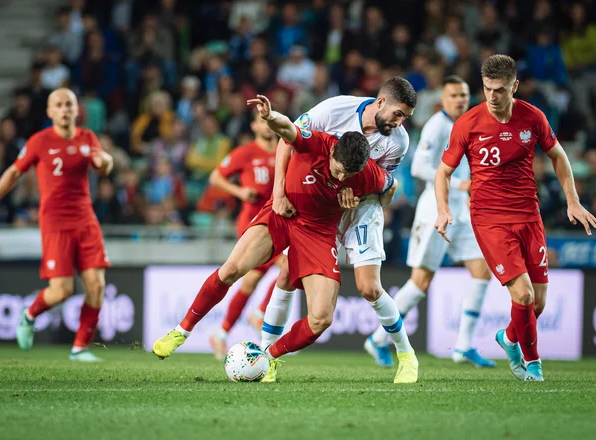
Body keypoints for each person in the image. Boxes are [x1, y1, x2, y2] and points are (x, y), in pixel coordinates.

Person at [151, 95, 412, 383]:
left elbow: (391, 188)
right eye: (338, 170)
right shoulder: (319, 141)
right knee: (232, 269)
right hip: (282, 214)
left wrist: (361, 196)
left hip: (317, 232)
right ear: (333, 150)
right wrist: (269, 116)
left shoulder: (368, 173)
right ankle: (182, 330)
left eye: (348, 175)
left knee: (322, 318)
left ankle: (268, 357)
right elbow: (287, 130)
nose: (340, 178)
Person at [435, 55, 596, 381]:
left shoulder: (532, 117)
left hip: (528, 216)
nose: (492, 97)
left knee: (536, 305)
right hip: (489, 219)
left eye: (499, 90)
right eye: (487, 89)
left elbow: (558, 155)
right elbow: (443, 173)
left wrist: (573, 201)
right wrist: (443, 210)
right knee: (522, 295)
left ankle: (508, 338)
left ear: (515, 86)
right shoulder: (468, 123)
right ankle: (533, 365)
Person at [258, 77, 419, 374]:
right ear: (381, 102)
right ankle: (266, 359)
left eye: (405, 118)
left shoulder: (399, 142)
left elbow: (385, 186)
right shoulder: (334, 110)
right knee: (286, 276)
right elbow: (288, 139)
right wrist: (278, 191)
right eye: (398, 114)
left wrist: (356, 192)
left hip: (361, 206)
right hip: (319, 200)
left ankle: (407, 356)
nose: (400, 123)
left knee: (369, 288)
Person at [0, 88, 114, 362]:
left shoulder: (87, 137)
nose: (64, 109)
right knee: (62, 291)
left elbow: (104, 165)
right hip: (55, 221)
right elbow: (15, 171)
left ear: (76, 110)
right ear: (50, 112)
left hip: (85, 219)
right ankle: (29, 314)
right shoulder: (40, 141)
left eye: (68, 105)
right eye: (58, 105)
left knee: (96, 286)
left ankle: (79, 348)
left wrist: (105, 160)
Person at [367, 76, 495, 368]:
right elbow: (421, 166)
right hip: (435, 210)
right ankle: (377, 339)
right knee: (421, 282)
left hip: (462, 211)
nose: (460, 100)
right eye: (453, 95)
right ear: (443, 99)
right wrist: (461, 182)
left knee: (481, 271)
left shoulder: (470, 124)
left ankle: (463, 346)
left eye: (464, 94)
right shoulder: (436, 126)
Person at [207, 109, 288, 360]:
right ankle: (261, 313)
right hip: (253, 224)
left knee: (250, 283)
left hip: (280, 222)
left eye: (269, 122)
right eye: (262, 122)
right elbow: (215, 177)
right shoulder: (245, 153)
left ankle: (220, 334)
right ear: (254, 126)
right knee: (289, 265)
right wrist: (240, 193)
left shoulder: (285, 149)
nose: (267, 127)